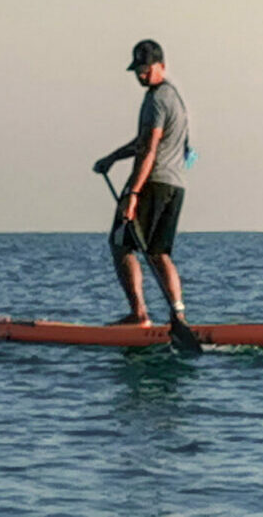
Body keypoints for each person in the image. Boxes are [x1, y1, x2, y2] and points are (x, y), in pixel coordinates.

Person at [92, 38, 192, 327]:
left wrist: (133, 194)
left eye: (146, 69)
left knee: (120, 245)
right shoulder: (174, 97)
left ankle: (139, 315)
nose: (141, 75)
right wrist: (113, 157)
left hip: (152, 183)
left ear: (162, 66)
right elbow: (145, 141)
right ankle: (179, 316)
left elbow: (149, 149)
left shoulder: (158, 99)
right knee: (158, 252)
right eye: (138, 69)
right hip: (175, 185)